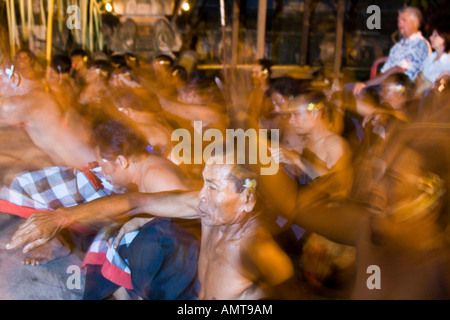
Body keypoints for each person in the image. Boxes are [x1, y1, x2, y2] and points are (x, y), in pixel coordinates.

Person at [6, 151, 303, 300]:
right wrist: (60, 217)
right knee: (143, 229)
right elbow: (137, 202)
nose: (200, 196)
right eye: (204, 183)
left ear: (247, 198)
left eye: (212, 187)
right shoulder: (210, 208)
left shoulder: (259, 250)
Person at [347, 6, 431, 99]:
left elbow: (399, 70)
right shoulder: (397, 46)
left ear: (415, 23)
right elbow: (384, 71)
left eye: (404, 20)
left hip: (401, 90)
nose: (400, 24)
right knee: (349, 88)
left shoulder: (419, 43)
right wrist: (369, 84)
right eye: (399, 21)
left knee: (355, 91)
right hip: (387, 86)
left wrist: (366, 84)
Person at [414, 22, 450, 96]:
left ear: (445, 38)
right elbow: (419, 78)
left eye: (435, 35)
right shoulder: (430, 58)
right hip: (421, 95)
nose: (431, 37)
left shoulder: (447, 61)